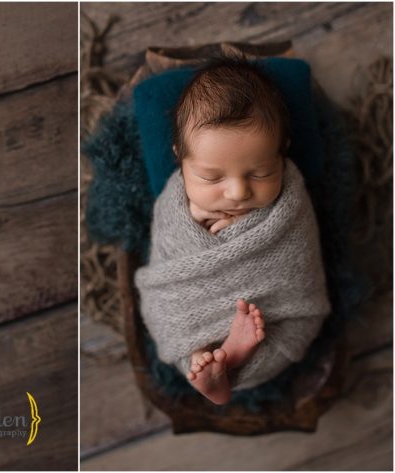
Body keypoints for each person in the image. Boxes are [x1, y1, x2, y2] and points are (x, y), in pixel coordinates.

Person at [135, 59, 331, 404]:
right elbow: (167, 261)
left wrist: (243, 231)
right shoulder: (172, 203)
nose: (239, 193)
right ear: (180, 159)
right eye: (212, 178)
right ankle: (210, 363)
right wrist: (194, 220)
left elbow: (298, 261)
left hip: (277, 321)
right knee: (178, 332)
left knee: (292, 333)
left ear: (282, 151)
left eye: (259, 173)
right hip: (191, 318)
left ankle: (228, 362)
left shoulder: (290, 200)